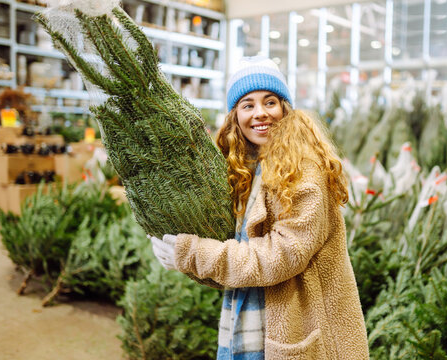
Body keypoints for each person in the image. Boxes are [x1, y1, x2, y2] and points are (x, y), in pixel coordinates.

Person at [149, 56, 369, 359]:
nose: (260, 114)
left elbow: (281, 256)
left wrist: (194, 253)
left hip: (301, 328)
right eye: (248, 105)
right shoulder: (247, 169)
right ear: (235, 116)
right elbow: (237, 250)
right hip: (254, 324)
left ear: (285, 109)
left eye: (270, 102)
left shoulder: (304, 171)